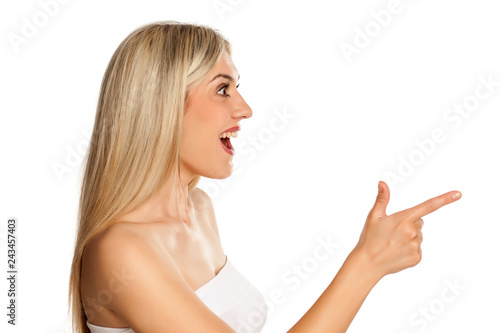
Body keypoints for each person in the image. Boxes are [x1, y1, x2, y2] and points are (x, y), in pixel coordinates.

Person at [68, 21, 462, 333]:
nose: (245, 109)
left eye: (237, 87)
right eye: (222, 89)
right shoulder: (120, 250)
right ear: (162, 105)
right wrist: (367, 263)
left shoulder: (198, 209)